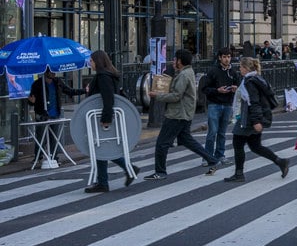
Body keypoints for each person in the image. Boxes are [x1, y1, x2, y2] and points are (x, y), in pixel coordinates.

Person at [143, 50, 222, 180]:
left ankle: (160, 171)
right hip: (185, 113)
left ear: (180, 61)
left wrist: (158, 95)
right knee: (186, 140)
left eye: (175, 59)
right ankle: (212, 160)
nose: (173, 62)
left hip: (177, 114)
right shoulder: (187, 72)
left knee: (162, 143)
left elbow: (176, 96)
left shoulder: (184, 75)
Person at [223, 57, 289, 182]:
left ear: (247, 68)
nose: (240, 69)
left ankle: (239, 174)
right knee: (255, 146)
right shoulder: (256, 78)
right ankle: (280, 161)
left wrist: (256, 121)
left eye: (241, 67)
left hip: (249, 118)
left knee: (238, 143)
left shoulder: (250, 81)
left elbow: (254, 102)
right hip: (253, 117)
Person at [83, 51, 140, 193]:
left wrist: (106, 118)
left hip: (102, 116)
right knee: (102, 147)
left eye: (91, 60)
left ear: (98, 61)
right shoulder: (110, 75)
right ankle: (108, 178)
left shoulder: (103, 76)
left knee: (101, 147)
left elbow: (108, 98)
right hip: (105, 114)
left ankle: (106, 180)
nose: (90, 63)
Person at [28, 68, 85, 163]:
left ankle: (54, 156)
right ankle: (38, 156)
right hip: (42, 114)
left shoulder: (58, 82)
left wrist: (83, 91)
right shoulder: (38, 84)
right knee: (40, 136)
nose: (54, 73)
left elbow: (69, 91)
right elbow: (31, 99)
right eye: (51, 72)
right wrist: (31, 102)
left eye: (54, 71)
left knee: (53, 137)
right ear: (46, 72)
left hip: (55, 114)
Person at [202, 49, 241, 165]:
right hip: (214, 104)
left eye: (229, 57)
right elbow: (205, 89)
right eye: (224, 57)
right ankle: (207, 156)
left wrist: (235, 88)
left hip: (227, 104)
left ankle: (220, 155)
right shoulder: (213, 71)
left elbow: (239, 86)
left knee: (222, 132)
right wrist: (217, 90)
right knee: (212, 132)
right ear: (219, 58)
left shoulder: (233, 72)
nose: (227, 59)